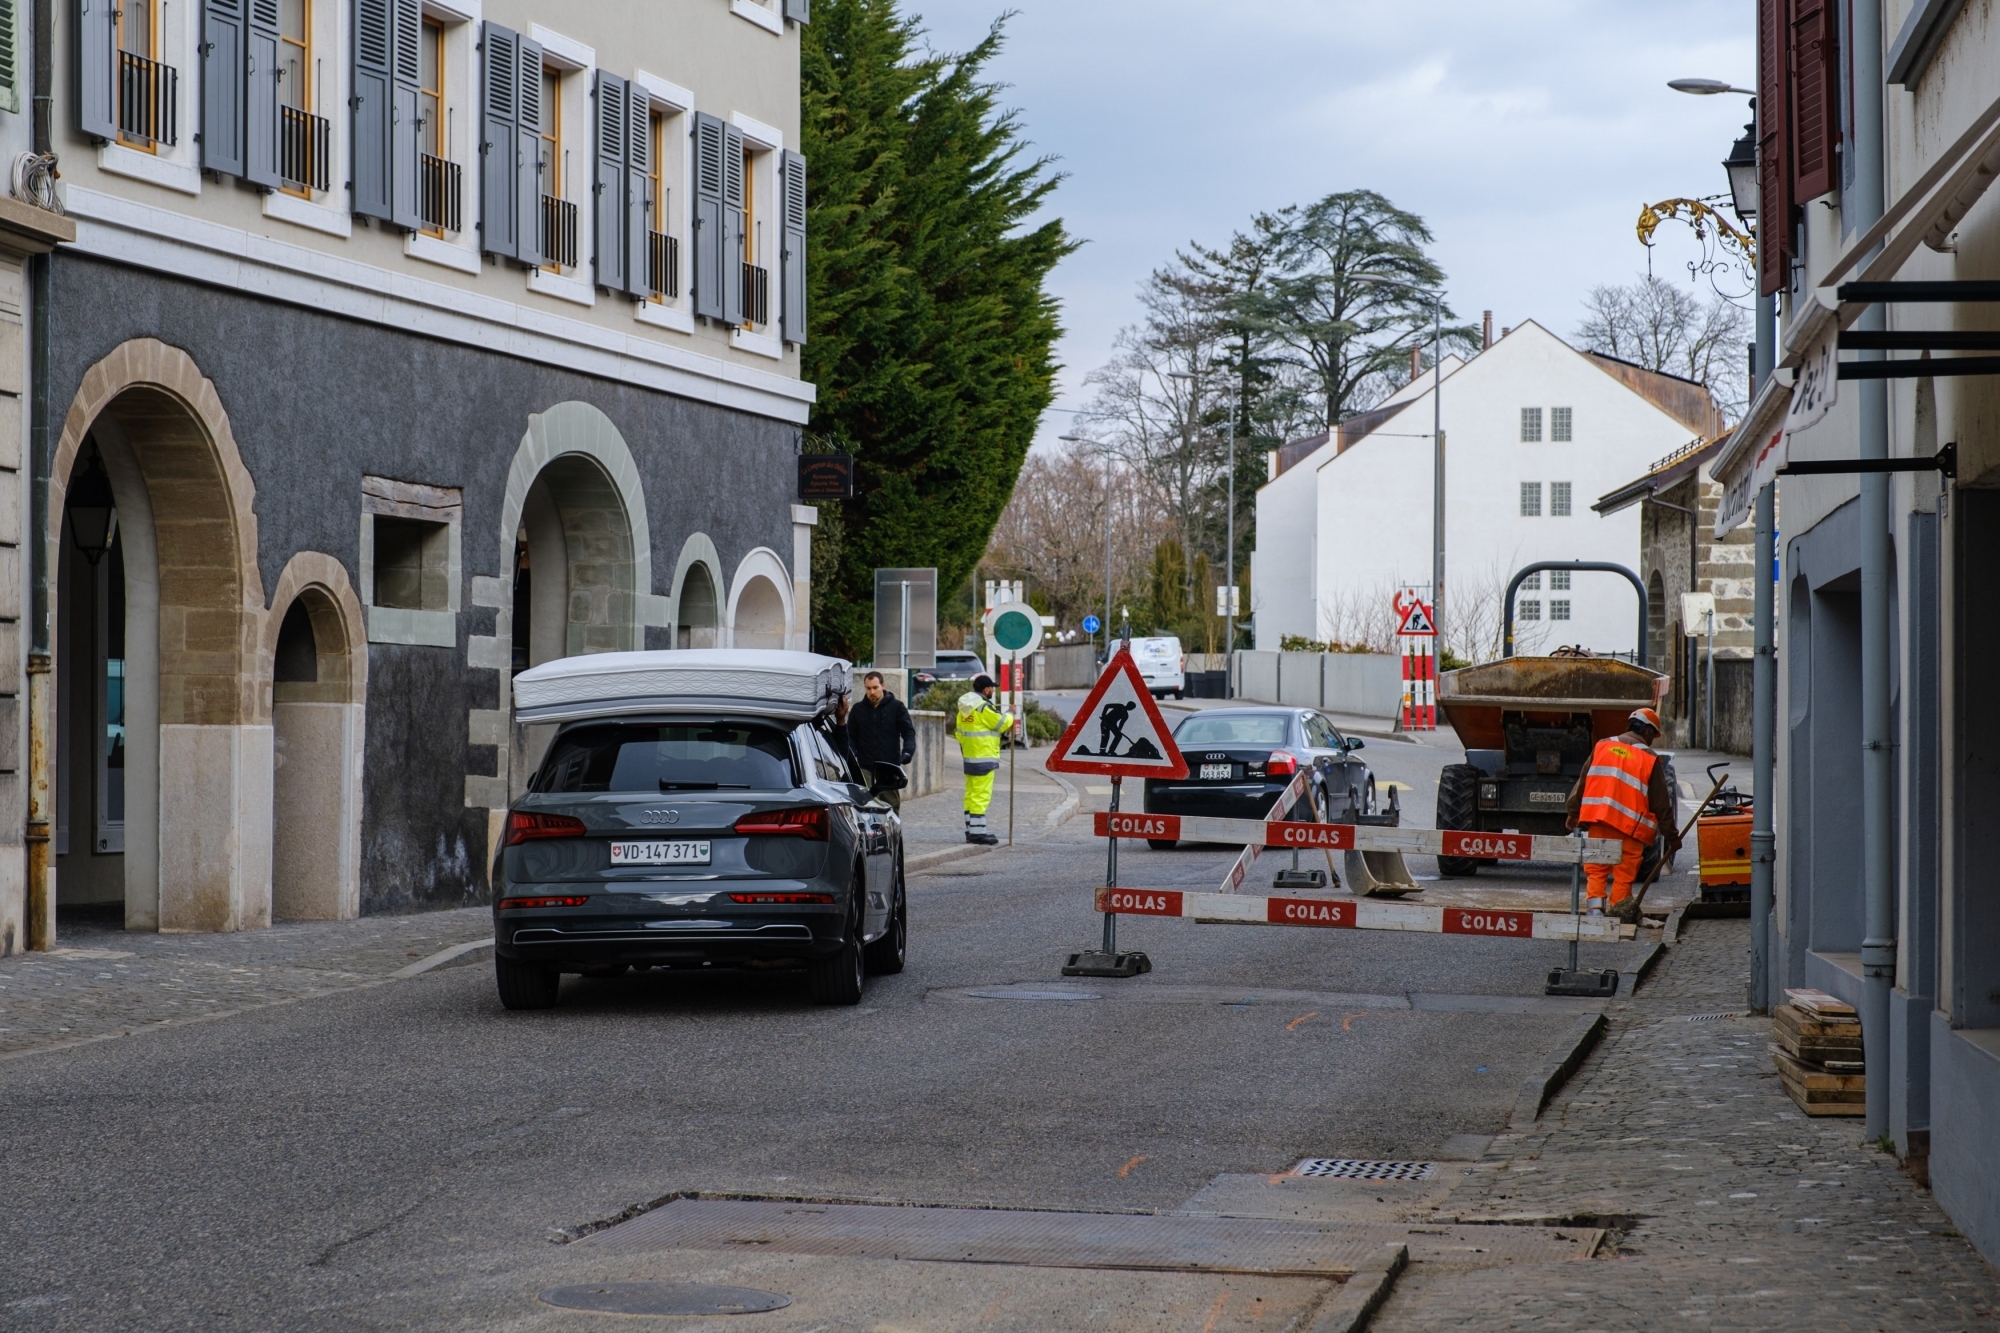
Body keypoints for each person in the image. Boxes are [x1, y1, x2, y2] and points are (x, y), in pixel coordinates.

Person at [1565, 707, 1679, 916]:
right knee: (1624, 873)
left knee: (1597, 868)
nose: (1652, 740)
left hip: (1600, 820)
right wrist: (1672, 837)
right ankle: (1618, 913)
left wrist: (1573, 813)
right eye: (1653, 736)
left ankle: (1595, 911)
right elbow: (1662, 805)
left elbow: (1583, 781)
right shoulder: (1649, 758)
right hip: (1630, 828)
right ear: (1647, 732)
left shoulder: (1603, 745)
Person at [955, 674, 1014, 845]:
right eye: (992, 688)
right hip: (984, 758)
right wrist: (1011, 713)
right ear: (986, 689)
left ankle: (971, 830)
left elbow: (958, 733)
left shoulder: (964, 710)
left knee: (971, 795)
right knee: (981, 796)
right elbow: (1002, 723)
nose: (993, 691)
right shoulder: (983, 708)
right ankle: (978, 834)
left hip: (970, 758)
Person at [846, 670, 916, 811]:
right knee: (865, 806)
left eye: (875, 687)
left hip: (888, 767)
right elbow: (850, 737)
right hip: (865, 766)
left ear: (883, 686)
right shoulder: (858, 710)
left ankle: (892, 832)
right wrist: (851, 755)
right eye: (868, 688)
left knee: (891, 807)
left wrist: (908, 751)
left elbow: (908, 732)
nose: (872, 692)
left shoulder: (897, 707)